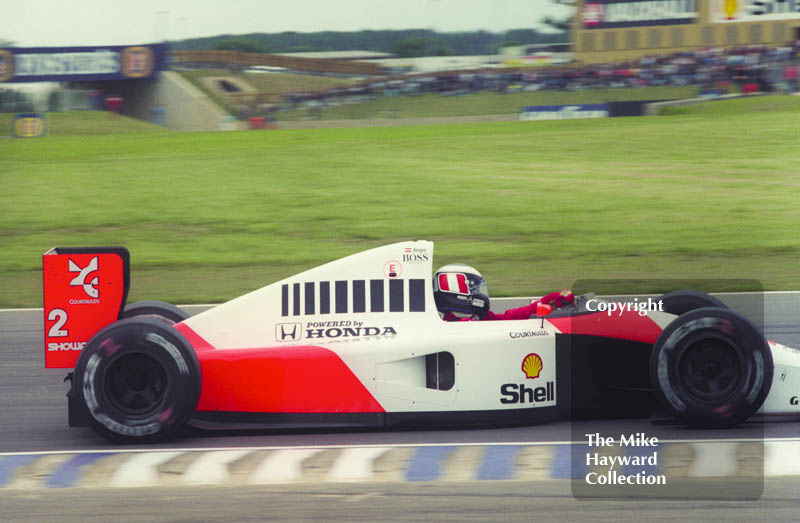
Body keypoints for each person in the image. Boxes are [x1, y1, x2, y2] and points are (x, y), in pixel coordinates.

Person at [433, 263, 574, 321]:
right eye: (475, 288)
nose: (480, 292)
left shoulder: (479, 319)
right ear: (458, 291)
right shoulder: (459, 326)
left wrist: (548, 302)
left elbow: (510, 317)